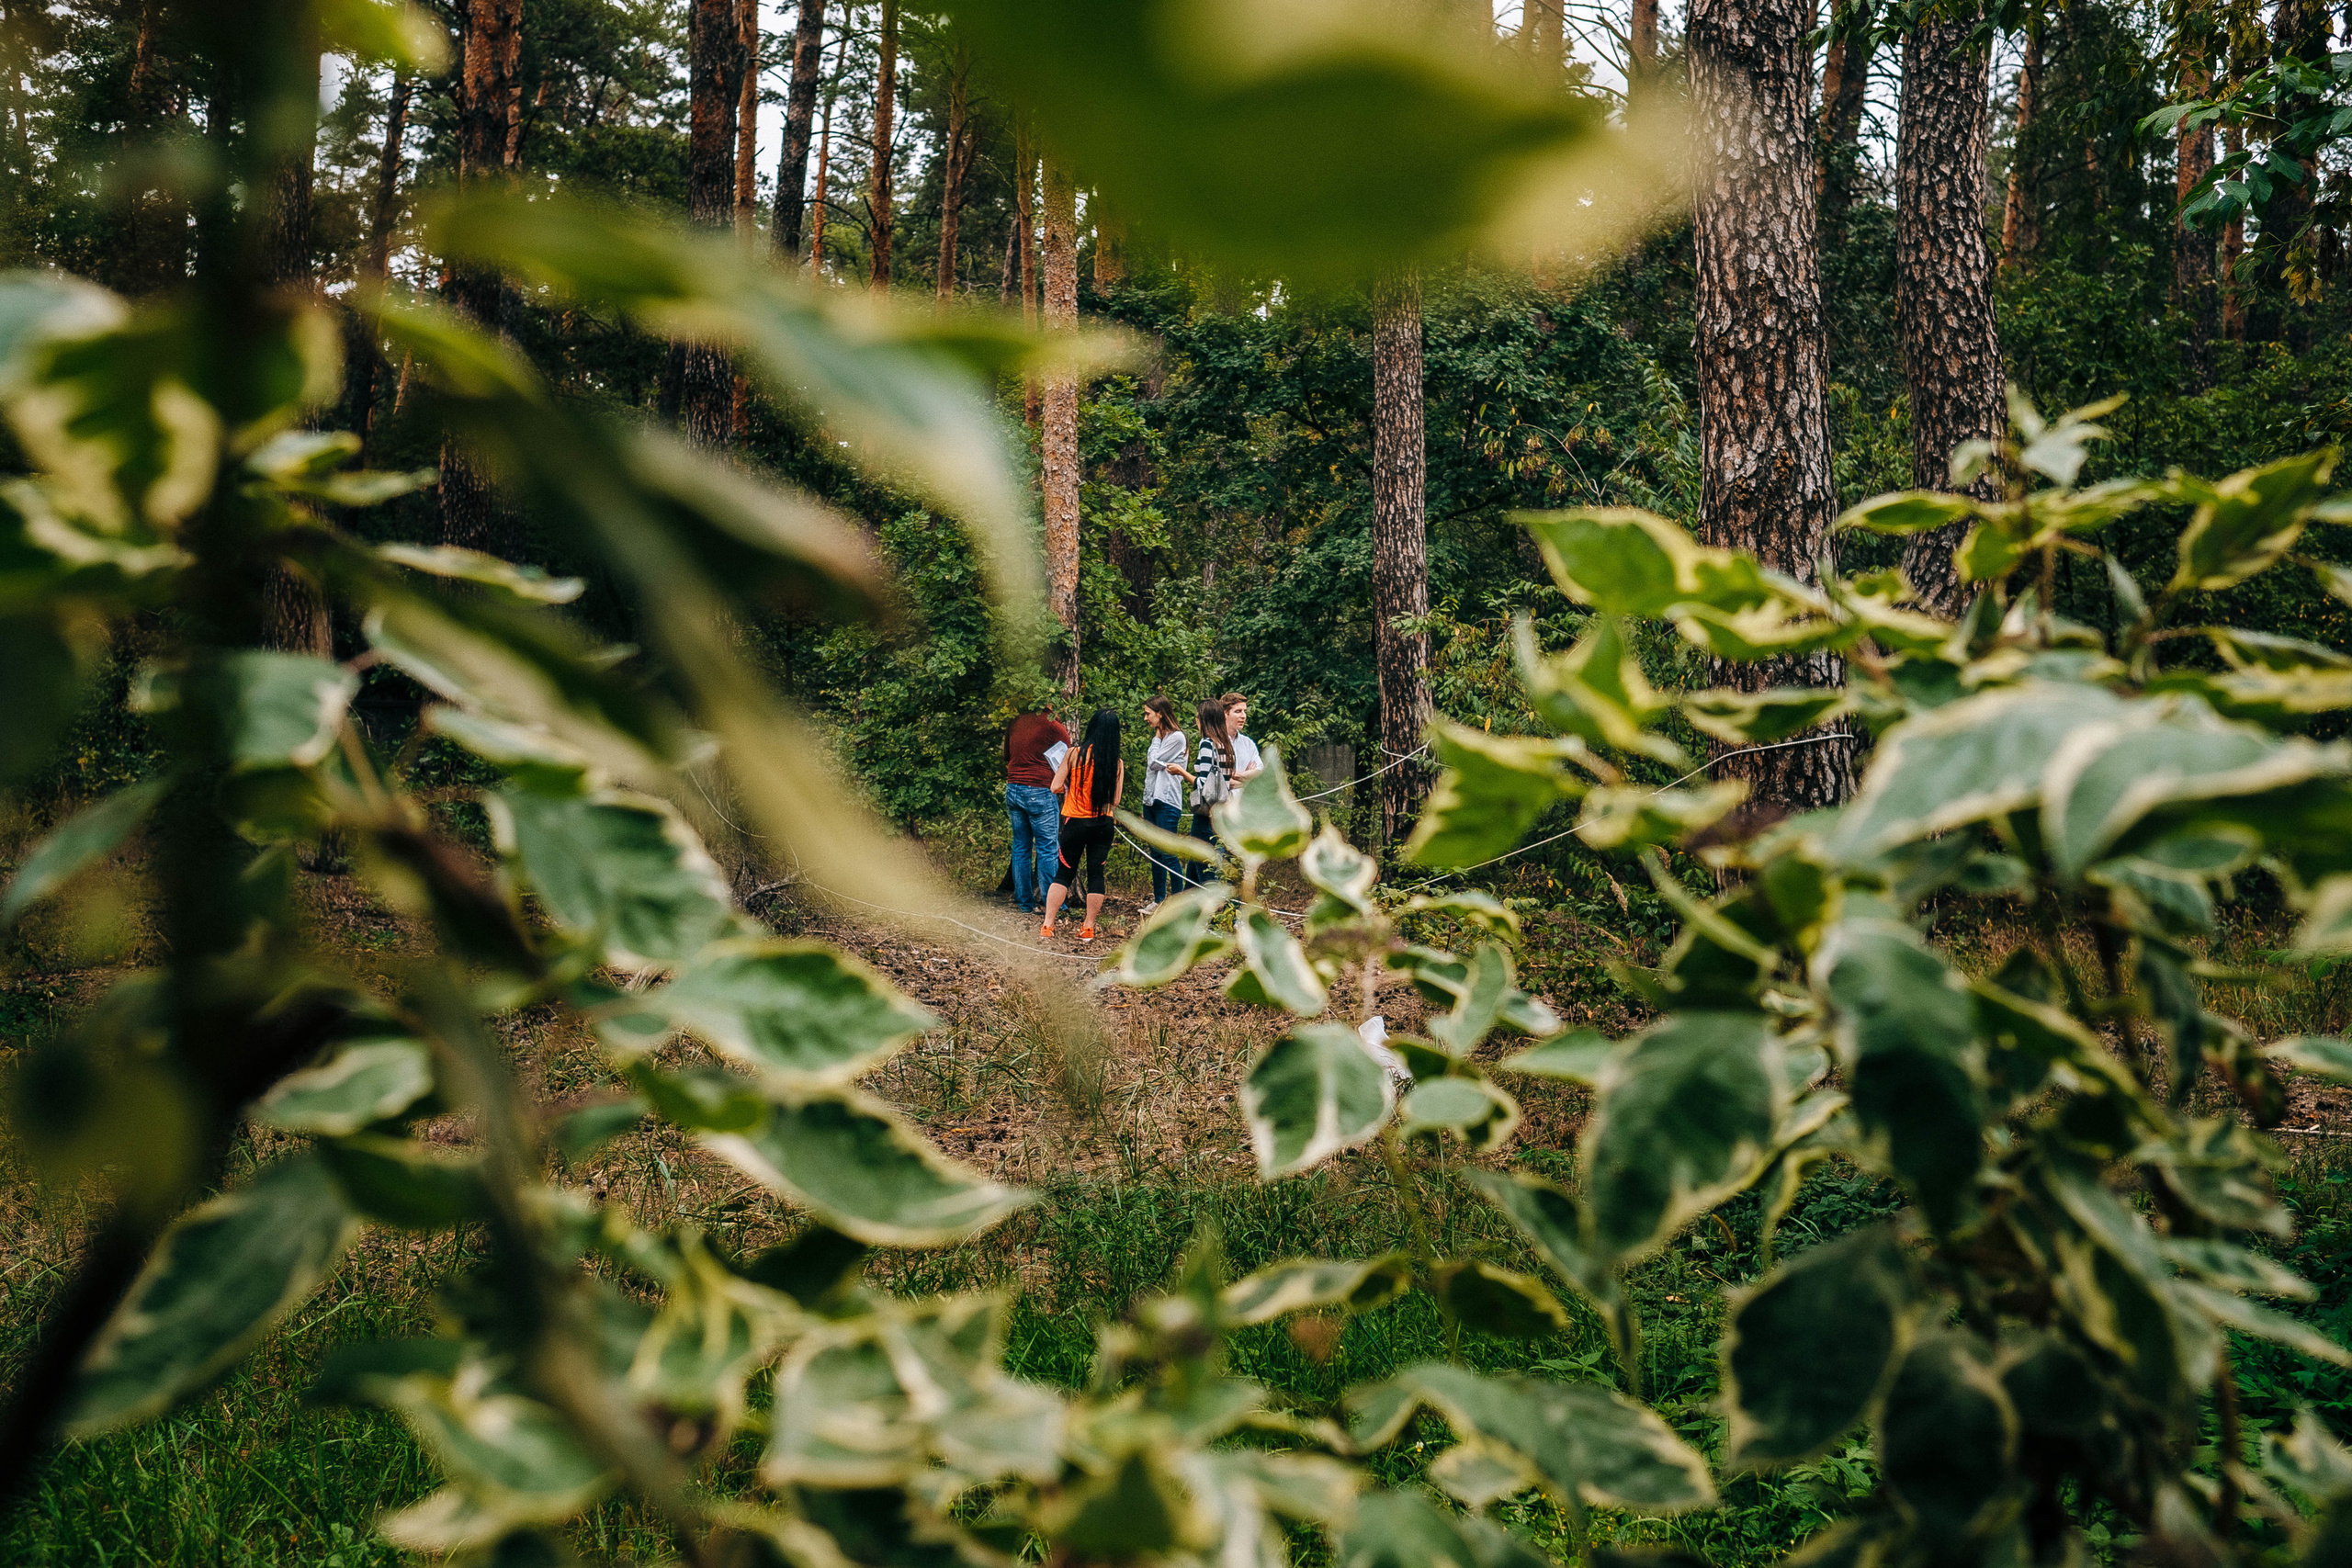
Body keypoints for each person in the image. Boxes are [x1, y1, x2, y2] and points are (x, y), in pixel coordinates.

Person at [1044, 709, 1124, 941]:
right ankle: (1088, 927)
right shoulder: (1116, 763)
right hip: (1103, 823)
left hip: (1075, 822)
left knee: (1064, 872)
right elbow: (1115, 801)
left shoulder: (1073, 754)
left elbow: (1055, 787)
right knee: (1096, 873)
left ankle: (1048, 925)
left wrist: (1070, 786)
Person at [1004, 701, 1069, 916]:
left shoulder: (1016, 722)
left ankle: (1024, 902)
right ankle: (1053, 904)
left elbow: (1007, 756)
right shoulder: (1053, 726)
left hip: (1013, 786)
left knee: (1021, 847)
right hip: (1039, 790)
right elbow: (1068, 758)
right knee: (1047, 847)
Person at [1138, 695, 1190, 910]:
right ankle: (1158, 899)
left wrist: (1156, 744)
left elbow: (1153, 762)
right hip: (1151, 798)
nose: (1145, 718)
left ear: (1160, 713)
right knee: (1155, 851)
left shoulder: (1176, 738)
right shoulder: (1157, 738)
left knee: (1167, 851)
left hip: (1167, 800)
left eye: (1148, 713)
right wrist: (1156, 746)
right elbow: (1154, 763)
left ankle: (1178, 901)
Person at [1190, 699, 1237, 852]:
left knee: (1206, 870)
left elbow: (1204, 784)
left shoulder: (1207, 743)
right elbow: (1227, 780)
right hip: (1222, 813)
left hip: (1205, 815)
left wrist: (1181, 772)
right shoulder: (1226, 745)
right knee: (1204, 867)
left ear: (1204, 720)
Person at [1222, 692, 1263, 793]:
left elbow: (1260, 774)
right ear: (1225, 713)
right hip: (1223, 804)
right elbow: (1220, 781)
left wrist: (1233, 774)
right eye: (1238, 711)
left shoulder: (1248, 743)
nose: (1243, 716)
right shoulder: (1215, 742)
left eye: (1244, 711)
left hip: (1246, 804)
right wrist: (1248, 778)